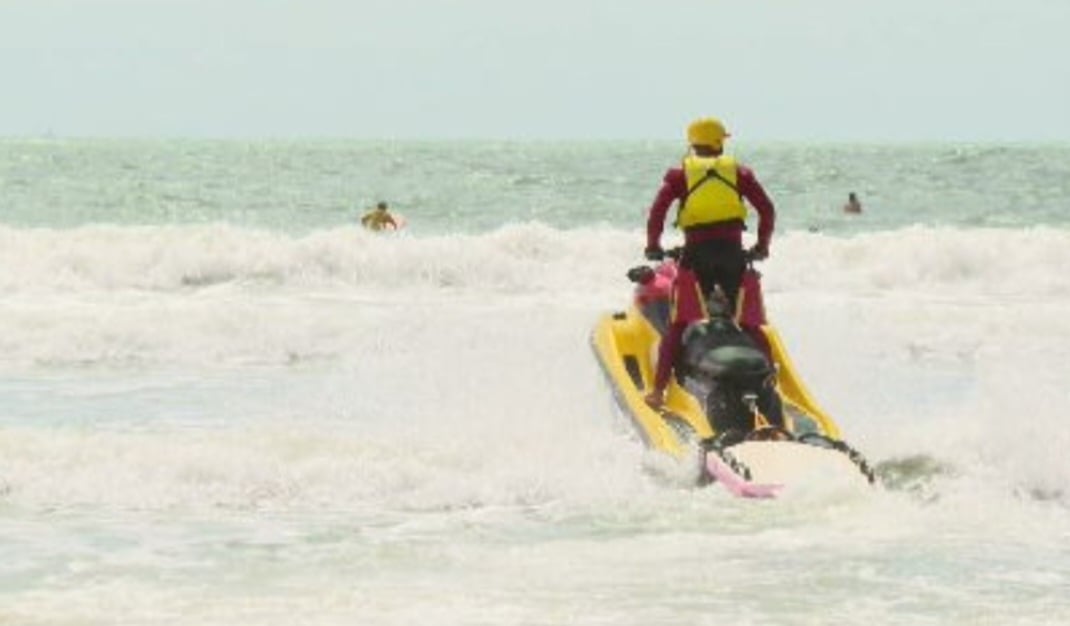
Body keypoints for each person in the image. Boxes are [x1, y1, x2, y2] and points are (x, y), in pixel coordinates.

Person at [643, 117, 776, 408]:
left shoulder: (680, 176)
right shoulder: (739, 173)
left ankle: (657, 392)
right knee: (749, 325)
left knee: (679, 325)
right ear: (719, 143)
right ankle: (772, 384)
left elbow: (657, 214)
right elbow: (767, 210)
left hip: (696, 256)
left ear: (692, 144)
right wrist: (762, 246)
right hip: (733, 255)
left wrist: (653, 246)